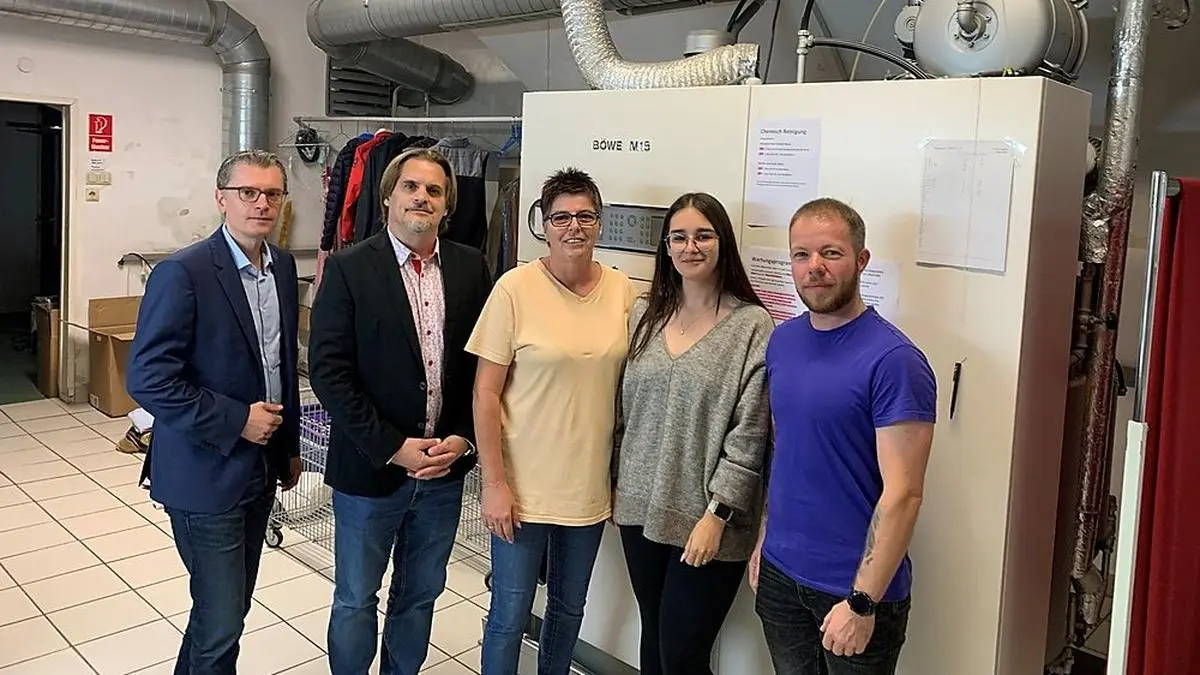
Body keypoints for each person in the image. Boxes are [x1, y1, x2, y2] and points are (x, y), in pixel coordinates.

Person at [306, 147, 493, 675]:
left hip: (443, 470)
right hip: (370, 472)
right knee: (356, 598)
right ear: (387, 196)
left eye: (434, 191)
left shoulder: (470, 266)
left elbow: (481, 364)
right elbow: (329, 372)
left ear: (447, 206)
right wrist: (392, 447)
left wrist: (462, 437)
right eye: (411, 187)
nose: (422, 198)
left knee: (421, 594)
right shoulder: (348, 268)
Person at [125, 149, 303, 674]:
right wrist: (235, 419)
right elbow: (148, 379)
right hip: (205, 472)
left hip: (261, 467)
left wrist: (288, 446)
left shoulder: (284, 267)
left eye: (272, 193)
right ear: (221, 198)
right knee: (222, 618)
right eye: (248, 192)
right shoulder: (184, 272)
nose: (262, 203)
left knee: (225, 613)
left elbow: (280, 365)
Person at [752, 197, 937, 675]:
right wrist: (764, 540)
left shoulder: (894, 360)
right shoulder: (783, 342)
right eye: (801, 254)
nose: (814, 267)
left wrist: (861, 601)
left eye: (830, 253)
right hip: (780, 575)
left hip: (854, 592)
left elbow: (905, 494)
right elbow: (786, 452)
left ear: (861, 260)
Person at [467, 167, 638, 674]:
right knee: (509, 612)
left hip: (586, 487)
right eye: (561, 217)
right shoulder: (514, 288)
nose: (574, 227)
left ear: (600, 224)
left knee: (568, 610)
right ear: (543, 223)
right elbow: (485, 392)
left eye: (585, 216)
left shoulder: (622, 291)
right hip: (522, 489)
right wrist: (493, 483)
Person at [612, 192, 774, 675]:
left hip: (707, 520)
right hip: (639, 508)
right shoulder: (646, 312)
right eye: (679, 237)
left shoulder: (752, 325)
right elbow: (627, 409)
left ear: (723, 242)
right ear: (665, 247)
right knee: (655, 640)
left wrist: (718, 514)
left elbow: (751, 433)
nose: (690, 247)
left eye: (703, 235)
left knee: (683, 655)